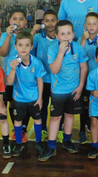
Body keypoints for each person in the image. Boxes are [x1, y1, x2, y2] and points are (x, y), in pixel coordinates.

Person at [39, 20, 88, 162]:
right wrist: (61, 53)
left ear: (73, 34)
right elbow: (54, 69)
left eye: (68, 33)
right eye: (62, 34)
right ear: (56, 36)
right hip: (58, 91)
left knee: (70, 115)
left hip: (74, 90)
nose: (66, 37)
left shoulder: (78, 48)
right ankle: (51, 145)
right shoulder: (53, 49)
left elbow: (84, 68)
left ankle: (67, 140)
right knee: (55, 117)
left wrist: (80, 87)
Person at [6, 31, 47, 156]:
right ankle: (19, 143)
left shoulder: (37, 63)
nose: (23, 48)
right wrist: (13, 69)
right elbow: (9, 82)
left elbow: (40, 80)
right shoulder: (13, 62)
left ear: (31, 47)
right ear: (15, 47)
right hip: (19, 98)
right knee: (18, 121)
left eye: (27, 45)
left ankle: (39, 141)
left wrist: (40, 98)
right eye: (20, 45)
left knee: (38, 119)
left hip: (34, 98)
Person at [77, 12, 98, 144]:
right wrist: (84, 40)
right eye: (89, 23)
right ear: (85, 25)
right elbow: (78, 55)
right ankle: (82, 130)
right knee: (84, 106)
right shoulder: (81, 39)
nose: (91, 26)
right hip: (84, 79)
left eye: (94, 23)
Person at [0, 8, 31, 143]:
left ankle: (23, 127)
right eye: (15, 18)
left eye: (21, 18)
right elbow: (2, 53)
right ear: (10, 21)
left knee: (26, 103)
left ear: (25, 22)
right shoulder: (5, 36)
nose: (18, 21)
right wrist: (7, 36)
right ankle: (16, 128)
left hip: (26, 77)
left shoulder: (28, 36)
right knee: (12, 103)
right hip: (10, 77)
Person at [31, 9, 59, 143]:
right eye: (47, 20)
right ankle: (42, 129)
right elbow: (29, 50)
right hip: (42, 80)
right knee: (42, 105)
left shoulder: (61, 38)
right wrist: (32, 33)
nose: (50, 23)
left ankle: (58, 130)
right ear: (42, 22)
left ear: (57, 22)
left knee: (57, 107)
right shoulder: (37, 38)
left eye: (53, 20)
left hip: (57, 81)